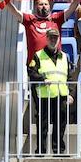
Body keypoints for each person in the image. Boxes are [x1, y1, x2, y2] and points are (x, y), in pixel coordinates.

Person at [26, 25, 75, 154]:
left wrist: (71, 93)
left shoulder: (64, 56)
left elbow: (69, 77)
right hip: (44, 95)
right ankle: (41, 151)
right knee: (43, 124)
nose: (53, 40)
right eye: (51, 38)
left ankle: (58, 149)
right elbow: (31, 72)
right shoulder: (38, 55)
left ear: (59, 39)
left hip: (61, 95)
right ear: (46, 39)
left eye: (55, 38)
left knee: (61, 123)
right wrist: (43, 79)